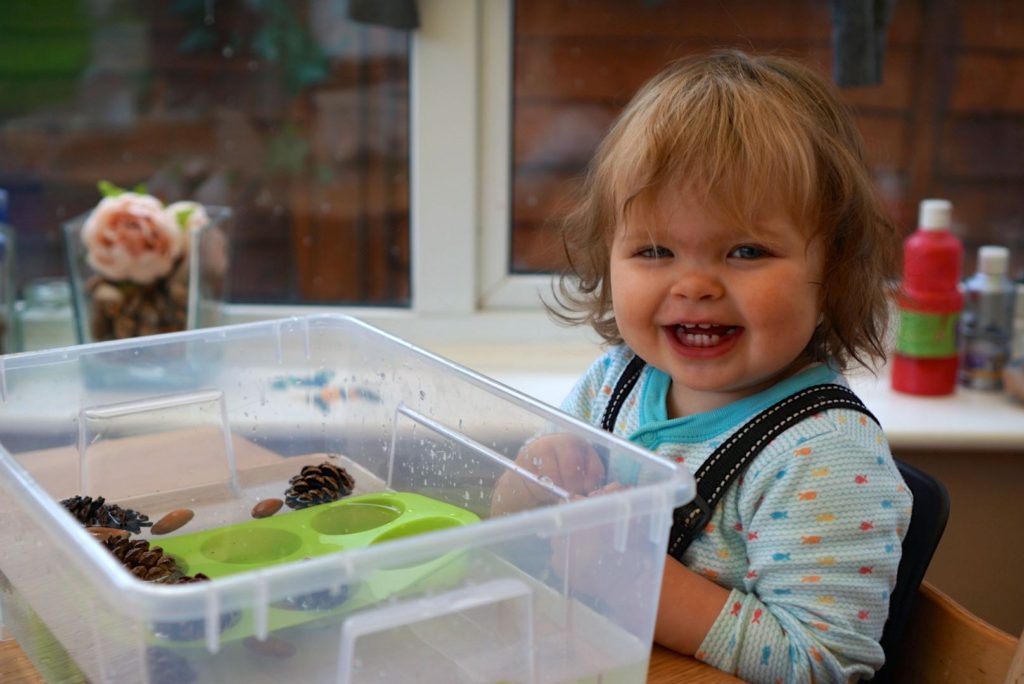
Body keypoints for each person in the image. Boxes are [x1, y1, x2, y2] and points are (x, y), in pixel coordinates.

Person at [491, 50, 912, 683]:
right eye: (654, 249)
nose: (694, 285)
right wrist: (529, 483)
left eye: (746, 250)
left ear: (833, 271)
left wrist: (632, 580)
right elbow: (520, 541)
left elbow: (826, 664)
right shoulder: (614, 382)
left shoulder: (826, 455)